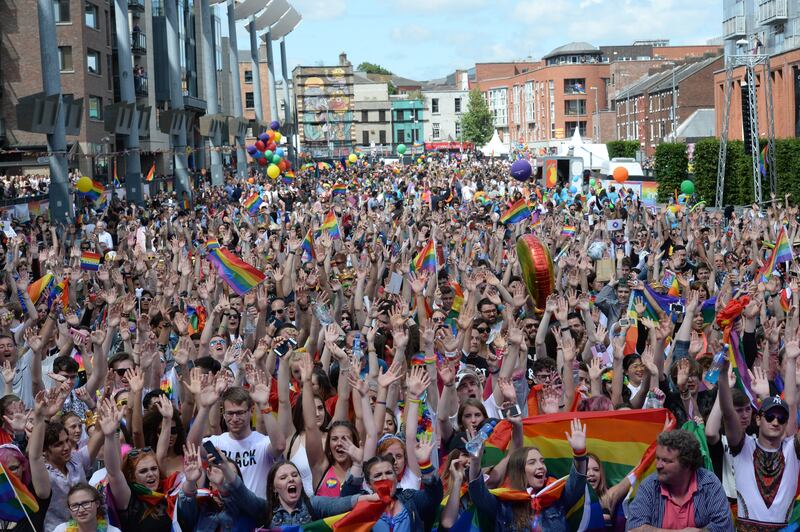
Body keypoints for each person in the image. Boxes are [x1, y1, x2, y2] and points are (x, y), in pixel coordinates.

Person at [468, 419, 588, 531]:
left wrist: (579, 454)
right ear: (519, 470)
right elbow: (477, 492)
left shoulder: (556, 498)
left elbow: (577, 482)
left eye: (542, 461)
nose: (541, 466)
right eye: (532, 462)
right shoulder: (502, 506)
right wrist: (475, 462)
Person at [626, 429, 733, 531]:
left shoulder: (708, 483)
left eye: (666, 461)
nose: (658, 466)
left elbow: (724, 527)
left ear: (686, 464)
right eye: (657, 459)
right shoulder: (650, 485)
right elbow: (633, 528)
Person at [52, 483, 122, 532]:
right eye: (75, 506)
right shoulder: (61, 530)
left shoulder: (113, 531)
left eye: (86, 503)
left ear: (97, 503)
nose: (81, 510)